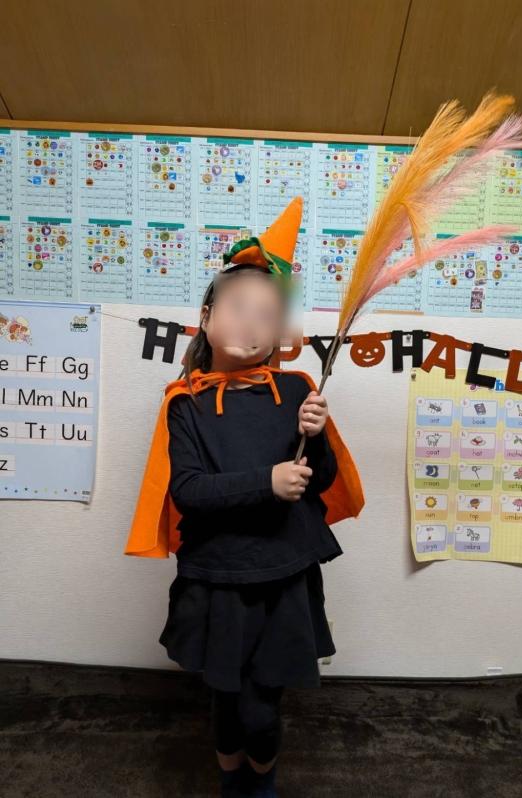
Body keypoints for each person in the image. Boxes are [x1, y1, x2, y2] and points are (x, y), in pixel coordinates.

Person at [123, 196, 364, 797]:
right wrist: (266, 482)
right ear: (206, 317)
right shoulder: (185, 403)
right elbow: (188, 491)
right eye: (236, 308)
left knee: (261, 708)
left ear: (280, 332)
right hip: (217, 578)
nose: (249, 323)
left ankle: (262, 779)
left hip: (283, 577)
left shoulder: (298, 390)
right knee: (226, 701)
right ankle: (232, 779)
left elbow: (319, 479)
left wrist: (316, 439)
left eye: (266, 314)